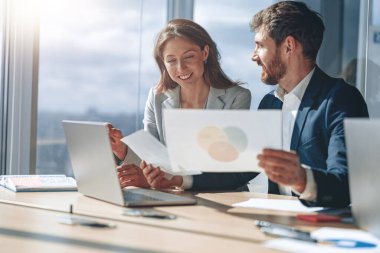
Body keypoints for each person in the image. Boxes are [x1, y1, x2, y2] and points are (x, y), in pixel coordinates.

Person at [142, 1, 369, 208]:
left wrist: (302, 179)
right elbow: (241, 170)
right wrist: (181, 179)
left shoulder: (341, 99)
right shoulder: (270, 103)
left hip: (326, 228)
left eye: (260, 45)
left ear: (288, 46)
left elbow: (348, 182)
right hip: (275, 221)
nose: (254, 56)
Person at [110, 18, 251, 189]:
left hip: (225, 197)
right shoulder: (157, 96)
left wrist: (175, 179)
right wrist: (123, 150)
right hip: (175, 196)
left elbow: (229, 170)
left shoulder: (236, 97)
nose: (181, 68)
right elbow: (154, 160)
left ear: (205, 53)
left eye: (189, 57)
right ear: (163, 63)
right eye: (171, 60)